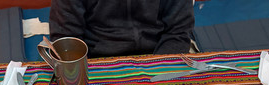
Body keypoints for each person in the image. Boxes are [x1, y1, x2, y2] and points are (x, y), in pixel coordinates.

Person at [49, 0, 195, 58]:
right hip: (95, 60)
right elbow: (65, 36)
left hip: (159, 53)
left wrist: (159, 67)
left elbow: (178, 30)